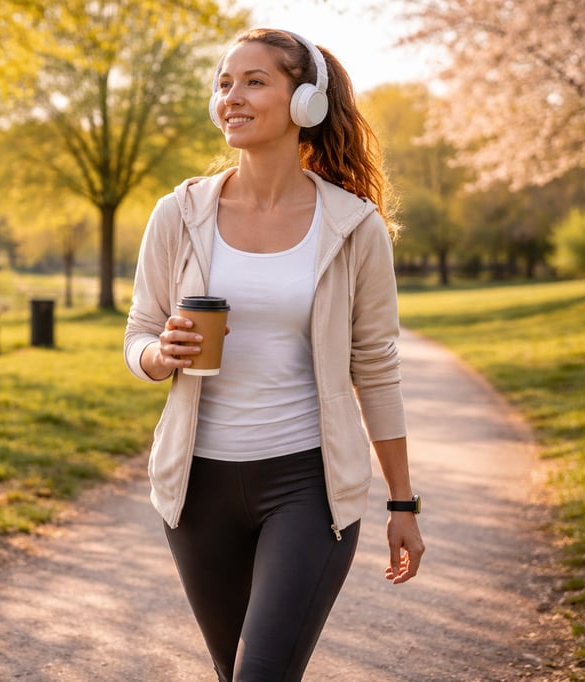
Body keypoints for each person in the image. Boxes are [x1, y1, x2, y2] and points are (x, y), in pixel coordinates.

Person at [123, 27, 425, 681]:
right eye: (224, 83)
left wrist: (403, 504)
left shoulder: (353, 227)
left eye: (254, 81)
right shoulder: (178, 214)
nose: (232, 96)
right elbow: (138, 333)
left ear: (306, 102)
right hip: (195, 490)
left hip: (306, 488)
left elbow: (375, 366)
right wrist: (158, 355)